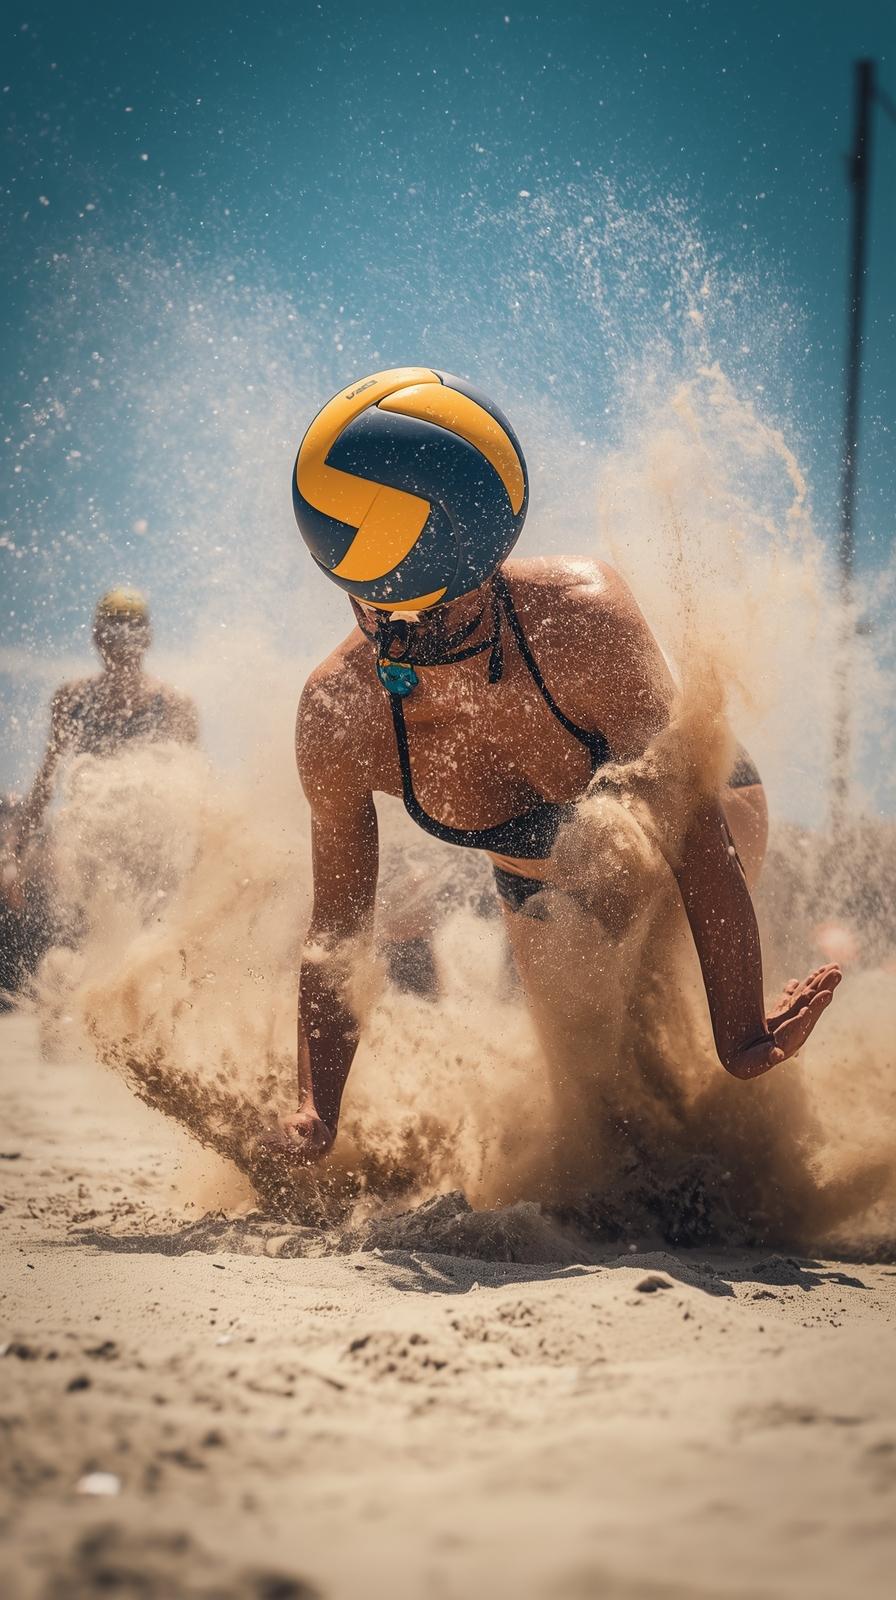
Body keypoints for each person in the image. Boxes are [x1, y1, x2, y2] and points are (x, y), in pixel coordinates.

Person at [281, 366, 841, 1162]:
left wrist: (742, 1032)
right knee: (592, 1120)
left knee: (679, 1031)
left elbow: (687, 826)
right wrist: (315, 1107)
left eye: (455, 607)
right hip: (534, 879)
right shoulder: (340, 715)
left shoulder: (581, 615)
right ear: (354, 587)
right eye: (401, 620)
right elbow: (337, 929)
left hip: (695, 816)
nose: (427, 637)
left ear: (489, 563)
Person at [3, 587, 199, 908]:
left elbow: (194, 797)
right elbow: (45, 783)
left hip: (153, 849)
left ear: (146, 639)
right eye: (114, 630)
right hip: (90, 849)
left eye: (130, 630)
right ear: (98, 637)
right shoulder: (71, 700)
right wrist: (13, 854)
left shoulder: (174, 706)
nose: (122, 642)